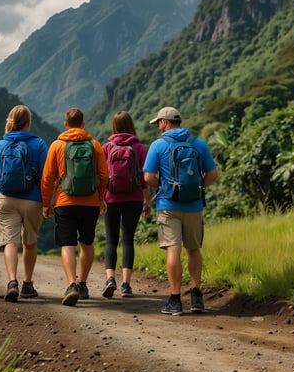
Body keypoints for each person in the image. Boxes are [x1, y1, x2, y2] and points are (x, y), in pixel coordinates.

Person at [143, 106, 218, 315]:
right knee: (193, 249)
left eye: (158, 122)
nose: (158, 126)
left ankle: (175, 300)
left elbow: (148, 177)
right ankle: (196, 296)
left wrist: (164, 187)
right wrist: (197, 188)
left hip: (168, 206)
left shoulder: (158, 145)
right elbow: (212, 173)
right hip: (194, 205)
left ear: (165, 123)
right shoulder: (197, 143)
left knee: (173, 249)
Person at [40, 107, 108, 306]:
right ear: (83, 124)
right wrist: (100, 198)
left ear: (65, 124)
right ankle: (83, 283)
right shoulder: (94, 145)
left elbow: (47, 178)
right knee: (86, 243)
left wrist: (46, 203)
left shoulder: (57, 145)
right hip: (89, 203)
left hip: (65, 202)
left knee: (67, 245)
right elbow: (104, 175)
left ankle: (71, 285)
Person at [0, 105, 48, 302]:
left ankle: (12, 281)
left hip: (6, 198)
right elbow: (45, 176)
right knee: (29, 242)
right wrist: (47, 201)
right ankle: (27, 285)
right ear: (28, 123)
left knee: (10, 242)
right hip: (32, 199)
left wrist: (2, 187)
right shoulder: (38, 144)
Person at [101, 111, 151, 298]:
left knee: (111, 240)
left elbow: (102, 176)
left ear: (114, 126)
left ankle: (110, 279)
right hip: (134, 198)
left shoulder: (107, 147)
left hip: (111, 198)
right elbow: (145, 179)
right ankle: (126, 285)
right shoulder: (139, 148)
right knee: (128, 239)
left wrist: (100, 199)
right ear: (131, 126)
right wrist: (147, 201)